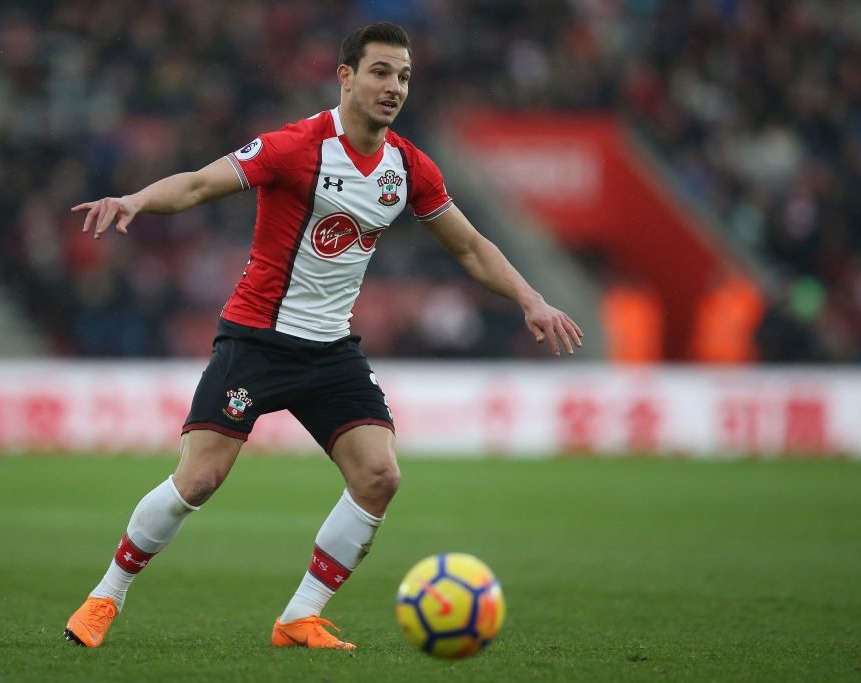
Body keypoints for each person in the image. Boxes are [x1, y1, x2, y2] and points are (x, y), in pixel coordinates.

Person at [64, 22, 583, 651]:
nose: (394, 87)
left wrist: (530, 299)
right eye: (381, 72)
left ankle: (299, 617)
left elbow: (470, 247)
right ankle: (106, 596)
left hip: (330, 349)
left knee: (379, 476)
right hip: (257, 338)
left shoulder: (408, 168)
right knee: (198, 480)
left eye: (404, 77)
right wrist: (136, 200)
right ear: (346, 76)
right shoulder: (295, 147)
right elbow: (199, 183)